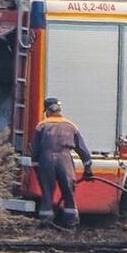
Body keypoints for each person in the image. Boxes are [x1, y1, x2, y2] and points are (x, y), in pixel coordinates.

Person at [29, 97, 92, 228]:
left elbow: (34, 150)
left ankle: (46, 222)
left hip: (46, 159)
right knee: (68, 191)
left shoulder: (42, 126)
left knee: (47, 192)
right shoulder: (71, 126)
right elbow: (82, 149)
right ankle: (71, 222)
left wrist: (36, 167)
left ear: (46, 111)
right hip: (65, 159)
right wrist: (88, 168)